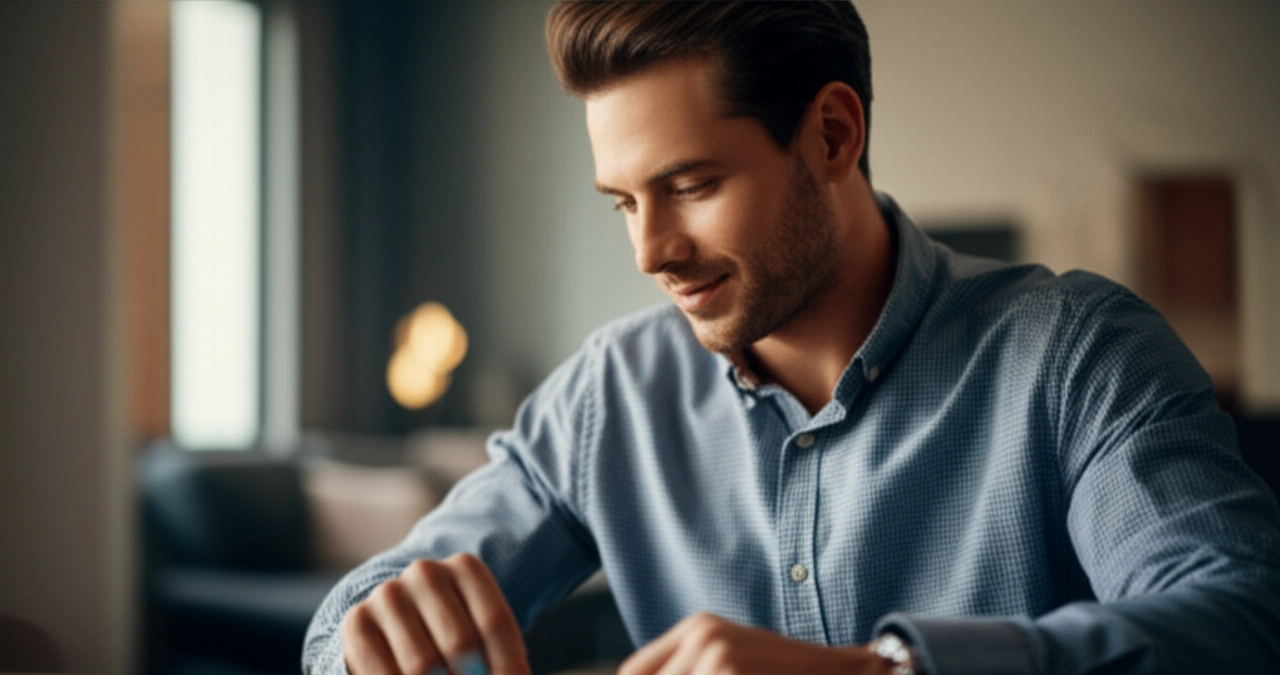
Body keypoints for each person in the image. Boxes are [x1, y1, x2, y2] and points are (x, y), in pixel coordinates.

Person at [304, 3, 1280, 674]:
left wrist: (884, 671)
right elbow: (349, 620)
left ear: (830, 134)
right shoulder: (609, 396)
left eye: (690, 186)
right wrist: (372, 632)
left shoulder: (1076, 354)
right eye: (621, 203)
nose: (651, 251)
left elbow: (1239, 619)